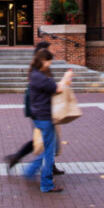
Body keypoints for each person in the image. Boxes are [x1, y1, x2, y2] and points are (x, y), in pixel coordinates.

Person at [4, 42, 66, 175]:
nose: (53, 52)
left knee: (44, 140)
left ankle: (46, 165)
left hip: (41, 109)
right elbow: (53, 87)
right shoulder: (39, 72)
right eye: (50, 50)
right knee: (43, 141)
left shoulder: (40, 70)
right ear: (43, 55)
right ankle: (27, 166)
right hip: (40, 111)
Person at [23, 49, 73, 193]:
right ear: (43, 61)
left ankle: (30, 171)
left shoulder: (35, 74)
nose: (50, 65)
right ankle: (46, 183)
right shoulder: (39, 76)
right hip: (44, 117)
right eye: (49, 62)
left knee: (49, 149)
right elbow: (57, 89)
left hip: (38, 116)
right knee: (49, 152)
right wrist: (66, 77)